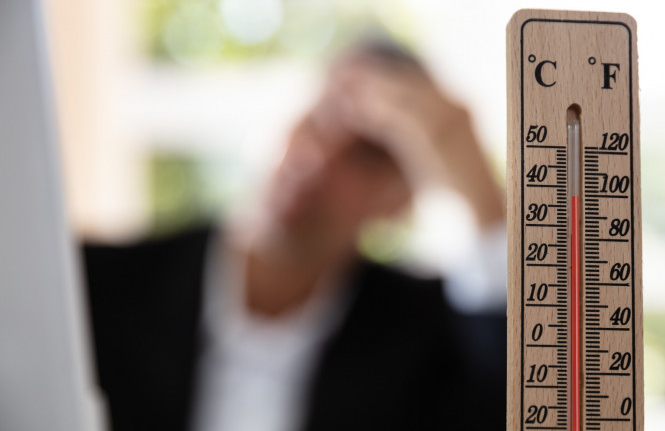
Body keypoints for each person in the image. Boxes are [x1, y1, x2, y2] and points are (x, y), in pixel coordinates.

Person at [82, 39, 507, 431]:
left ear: (401, 202)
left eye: (365, 155)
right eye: (316, 121)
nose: (316, 161)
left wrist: (483, 203)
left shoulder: (428, 342)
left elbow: (516, 401)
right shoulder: (93, 285)